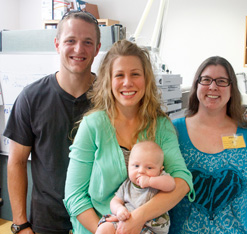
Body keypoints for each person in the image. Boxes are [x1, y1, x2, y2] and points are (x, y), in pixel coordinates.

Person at [64, 39, 194, 234]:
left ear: (146, 79)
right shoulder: (93, 126)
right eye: (119, 75)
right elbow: (74, 196)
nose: (127, 82)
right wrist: (107, 230)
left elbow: (182, 181)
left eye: (135, 74)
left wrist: (138, 218)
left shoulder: (161, 126)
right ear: (109, 80)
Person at [4, 11, 101, 234]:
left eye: (88, 42)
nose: (79, 49)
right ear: (57, 44)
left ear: (97, 48)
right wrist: (20, 224)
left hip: (99, 221)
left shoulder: (110, 98)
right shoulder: (31, 98)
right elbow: (17, 162)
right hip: (47, 224)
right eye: (70, 41)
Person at [169, 56, 247, 234]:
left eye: (222, 81)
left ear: (232, 89)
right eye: (206, 80)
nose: (213, 86)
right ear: (197, 85)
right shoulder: (173, 132)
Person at [96, 141, 176, 234]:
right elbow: (115, 201)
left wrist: (150, 181)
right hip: (124, 221)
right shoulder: (127, 184)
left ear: (160, 170)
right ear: (129, 165)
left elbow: (171, 184)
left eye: (149, 168)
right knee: (104, 229)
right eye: (136, 166)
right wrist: (119, 209)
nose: (141, 171)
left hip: (150, 229)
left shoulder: (160, 179)